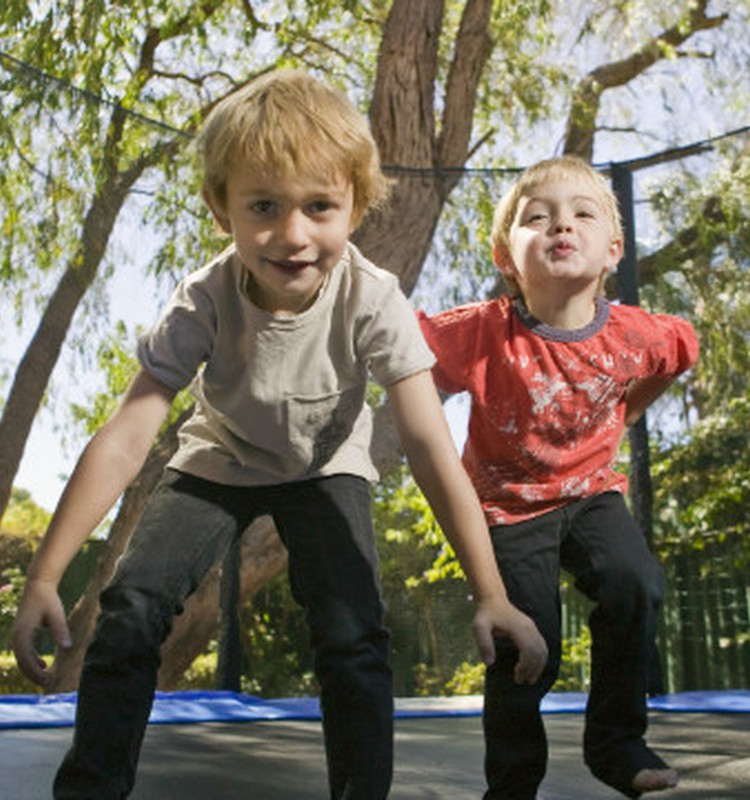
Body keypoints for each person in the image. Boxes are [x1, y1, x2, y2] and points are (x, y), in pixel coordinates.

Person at [11, 69, 547, 800]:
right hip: (218, 457)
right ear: (220, 208)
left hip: (329, 466)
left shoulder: (373, 299)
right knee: (131, 610)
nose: (292, 235)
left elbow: (427, 445)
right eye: (263, 205)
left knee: (354, 631)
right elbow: (126, 436)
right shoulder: (203, 298)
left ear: (356, 207)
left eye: (319, 206)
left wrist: (491, 592)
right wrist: (45, 577)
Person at [418, 155, 699, 799]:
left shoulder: (634, 333)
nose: (560, 227)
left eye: (581, 215)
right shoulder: (482, 332)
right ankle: (513, 783)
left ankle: (616, 742)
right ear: (505, 256)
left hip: (593, 492)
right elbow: (405, 354)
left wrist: (626, 414)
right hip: (508, 508)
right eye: (537, 218)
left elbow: (682, 348)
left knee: (635, 585)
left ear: (613, 252)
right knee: (526, 641)